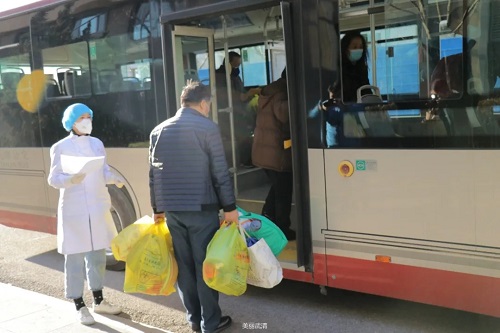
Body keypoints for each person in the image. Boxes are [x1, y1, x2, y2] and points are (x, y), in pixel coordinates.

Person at [149, 81, 237, 333]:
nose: (209, 108)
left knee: (184, 267)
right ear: (203, 102)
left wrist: (157, 208)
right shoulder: (207, 128)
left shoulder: (158, 130)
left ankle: (194, 321)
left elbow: (153, 175)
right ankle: (211, 323)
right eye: (209, 103)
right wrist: (230, 207)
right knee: (205, 265)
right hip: (202, 209)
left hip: (173, 211)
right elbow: (220, 172)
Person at [47, 103, 124, 325]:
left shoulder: (97, 143)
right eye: (81, 117)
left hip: (97, 208)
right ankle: (79, 305)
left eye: (89, 116)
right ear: (71, 121)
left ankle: (99, 301)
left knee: (98, 256)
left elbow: (104, 170)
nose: (86, 120)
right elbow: (53, 179)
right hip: (74, 210)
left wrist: (115, 178)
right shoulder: (60, 147)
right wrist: (71, 179)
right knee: (75, 258)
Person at [252, 69, 295, 241]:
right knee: (283, 191)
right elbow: (284, 115)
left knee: (277, 188)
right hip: (277, 152)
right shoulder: (283, 92)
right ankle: (283, 229)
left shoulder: (269, 91)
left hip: (265, 151)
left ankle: (267, 219)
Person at [215, 51, 261, 167]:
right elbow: (225, 95)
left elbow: (241, 92)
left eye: (239, 65)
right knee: (242, 136)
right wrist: (245, 96)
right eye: (235, 65)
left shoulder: (235, 77)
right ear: (228, 63)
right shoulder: (219, 77)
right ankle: (244, 161)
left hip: (239, 112)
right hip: (228, 114)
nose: (237, 68)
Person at [333, 31, 370, 102]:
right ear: (345, 49)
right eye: (354, 47)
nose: (358, 50)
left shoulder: (362, 69)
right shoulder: (338, 69)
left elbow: (366, 91)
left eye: (361, 47)